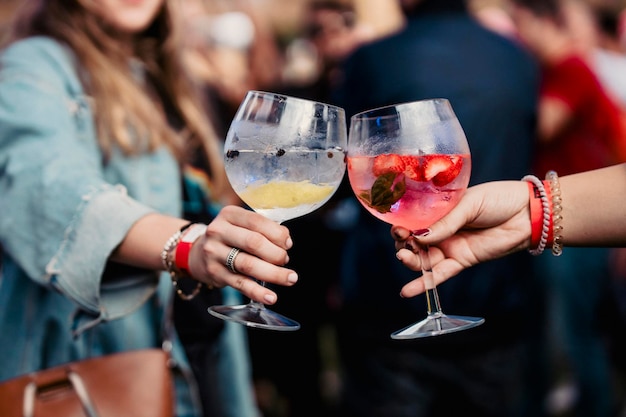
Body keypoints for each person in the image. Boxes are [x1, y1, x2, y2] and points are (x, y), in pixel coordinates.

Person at [0, 1, 299, 416]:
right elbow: (44, 184)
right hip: (99, 371)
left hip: (202, 349)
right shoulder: (33, 66)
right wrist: (185, 246)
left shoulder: (161, 73)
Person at [330, 0, 541, 415]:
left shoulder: (373, 58)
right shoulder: (517, 55)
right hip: (500, 290)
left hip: (391, 298)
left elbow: (343, 162)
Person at [510, 0, 626, 413]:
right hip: (554, 216)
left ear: (543, 21)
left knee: (577, 332)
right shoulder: (551, 71)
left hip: (576, 222)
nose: (516, 33)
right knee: (549, 330)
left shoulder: (571, 69)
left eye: (519, 22)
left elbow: (542, 124)